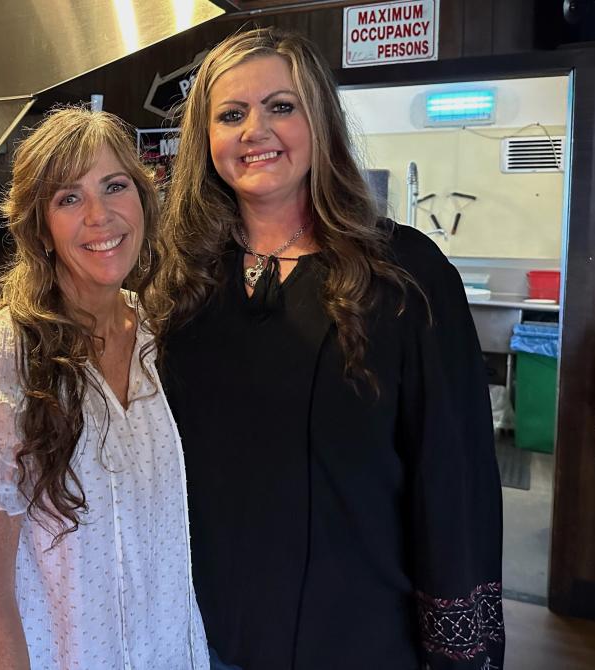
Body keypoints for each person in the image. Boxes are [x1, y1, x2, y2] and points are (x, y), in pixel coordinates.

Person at [151, 28, 504, 670]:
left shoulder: (405, 274)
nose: (255, 129)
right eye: (231, 114)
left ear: (320, 120)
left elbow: (452, 474)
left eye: (280, 106)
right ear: (206, 143)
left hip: (358, 632)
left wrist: (458, 648)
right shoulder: (180, 279)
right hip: (201, 632)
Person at [0, 107, 208, 670]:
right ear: (40, 228)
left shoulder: (156, 333)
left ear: (143, 201)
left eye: (114, 186)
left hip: (161, 647)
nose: (100, 216)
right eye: (68, 198)